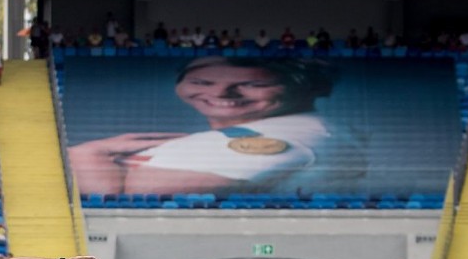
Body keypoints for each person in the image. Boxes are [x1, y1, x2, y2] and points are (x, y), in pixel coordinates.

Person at [68, 56, 364, 197]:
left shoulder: (287, 136)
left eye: (253, 84)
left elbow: (124, 195)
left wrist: (85, 156)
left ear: (309, 87)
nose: (221, 94)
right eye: (202, 82)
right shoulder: (243, 132)